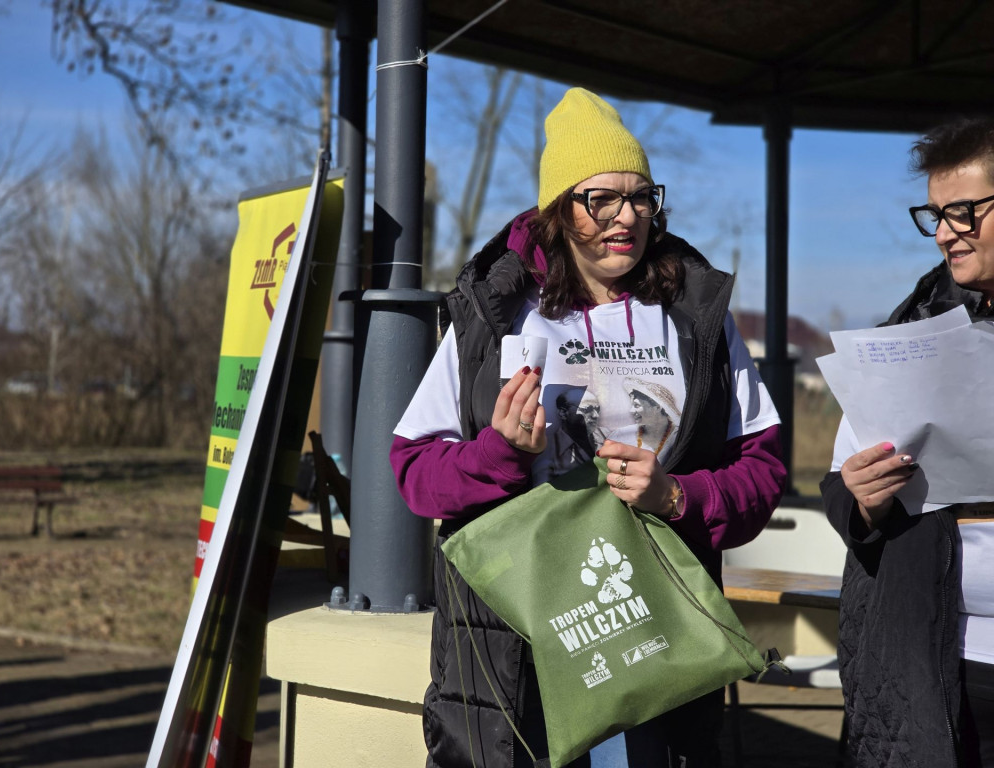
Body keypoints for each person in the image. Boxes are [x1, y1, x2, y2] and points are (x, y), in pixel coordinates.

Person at [390, 87, 787, 768]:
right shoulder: (497, 316)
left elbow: (765, 468)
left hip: (654, 635)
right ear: (558, 209)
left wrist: (678, 497)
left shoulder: (698, 319)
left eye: (640, 197)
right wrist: (500, 454)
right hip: (513, 641)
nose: (625, 217)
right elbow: (414, 471)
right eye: (599, 199)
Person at [821, 117, 994, 768]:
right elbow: (841, 482)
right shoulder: (912, 332)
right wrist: (861, 500)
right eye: (936, 214)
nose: (946, 231)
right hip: (936, 667)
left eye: (965, 212)